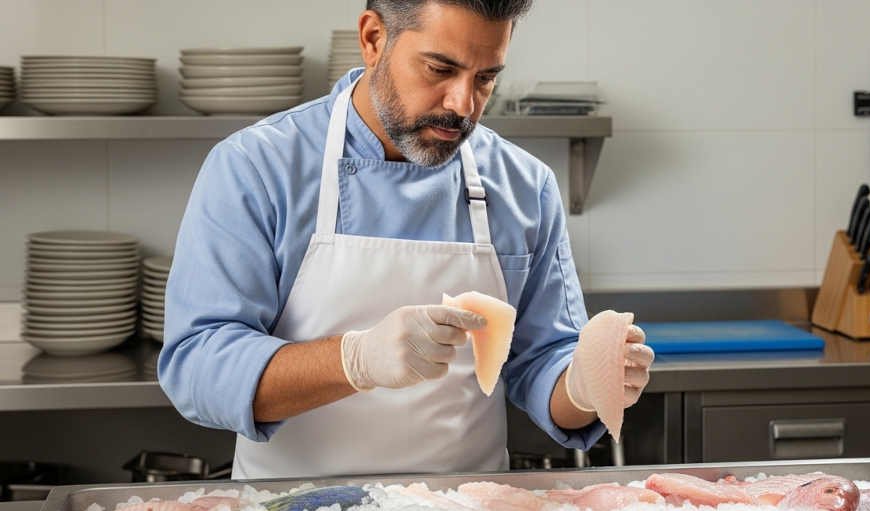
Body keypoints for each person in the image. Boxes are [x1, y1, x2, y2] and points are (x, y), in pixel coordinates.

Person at [158, 0, 654, 479]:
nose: (463, 104)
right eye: (440, 69)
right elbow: (198, 366)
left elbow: (544, 362)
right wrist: (355, 359)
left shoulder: (524, 186)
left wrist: (586, 385)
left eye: (485, 78)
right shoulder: (256, 167)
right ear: (374, 38)